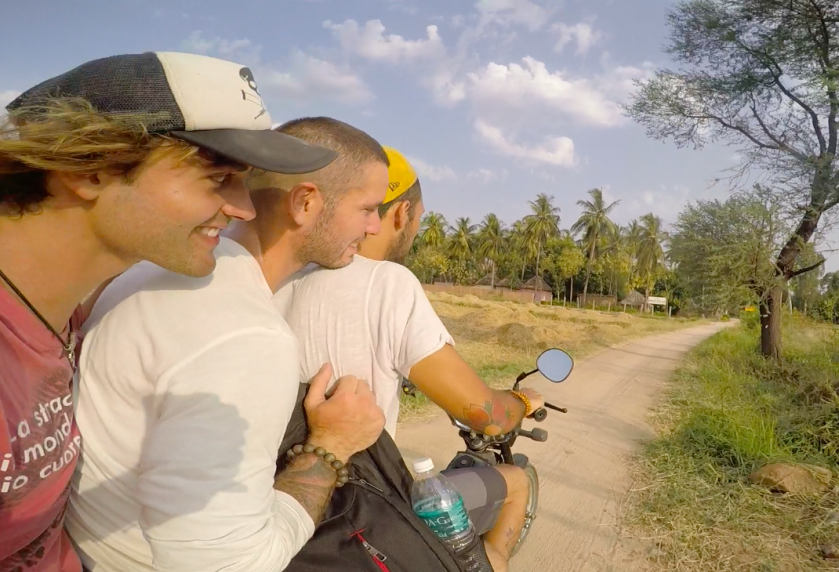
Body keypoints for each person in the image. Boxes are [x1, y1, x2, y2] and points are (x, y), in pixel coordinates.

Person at [0, 52, 336, 572]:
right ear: (89, 170)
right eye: (218, 176)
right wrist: (328, 451)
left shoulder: (60, 306)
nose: (244, 209)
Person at [66, 116, 388, 572]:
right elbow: (231, 565)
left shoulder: (154, 270)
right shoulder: (247, 334)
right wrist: (331, 447)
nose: (375, 227)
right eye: (368, 208)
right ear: (305, 203)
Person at [275, 147, 543, 572]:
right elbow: (485, 415)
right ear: (401, 214)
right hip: (364, 504)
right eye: (419, 219)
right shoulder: (386, 281)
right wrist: (522, 403)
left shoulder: (283, 278)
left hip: (285, 500)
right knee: (514, 484)